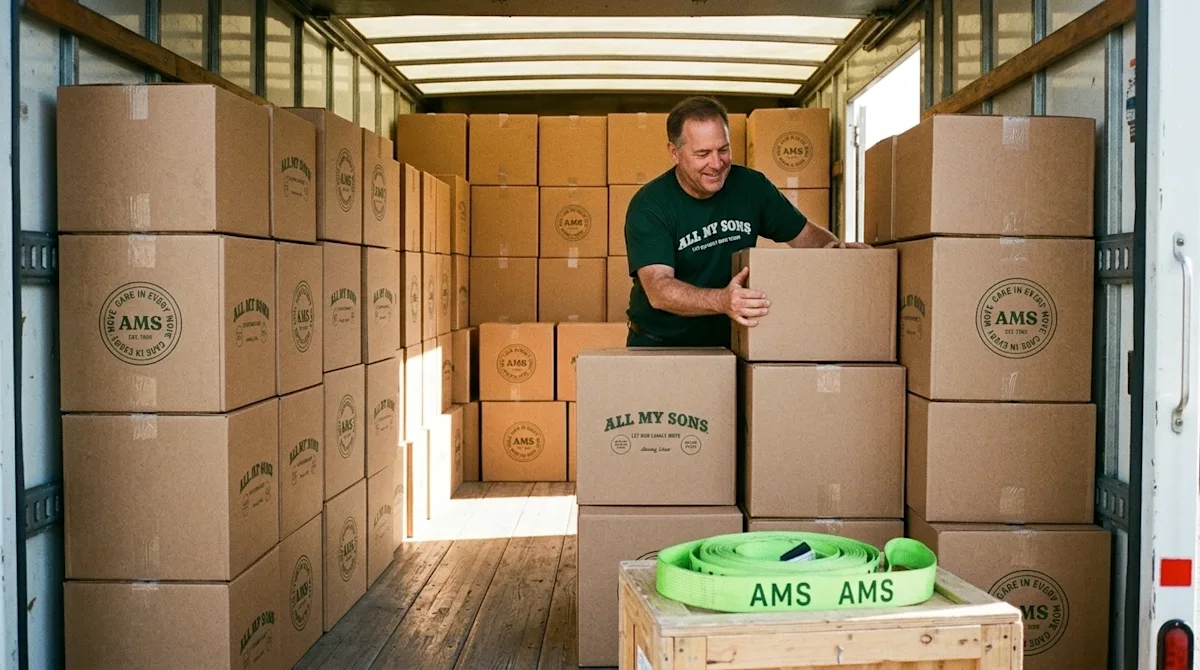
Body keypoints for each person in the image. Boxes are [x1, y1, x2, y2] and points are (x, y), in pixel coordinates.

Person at [623, 96, 870, 348]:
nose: (717, 164)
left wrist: (836, 252)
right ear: (674, 152)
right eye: (702, 153)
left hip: (729, 344)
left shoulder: (752, 187)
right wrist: (722, 300)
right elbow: (658, 290)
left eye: (723, 149)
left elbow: (805, 235)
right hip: (658, 344)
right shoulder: (650, 205)